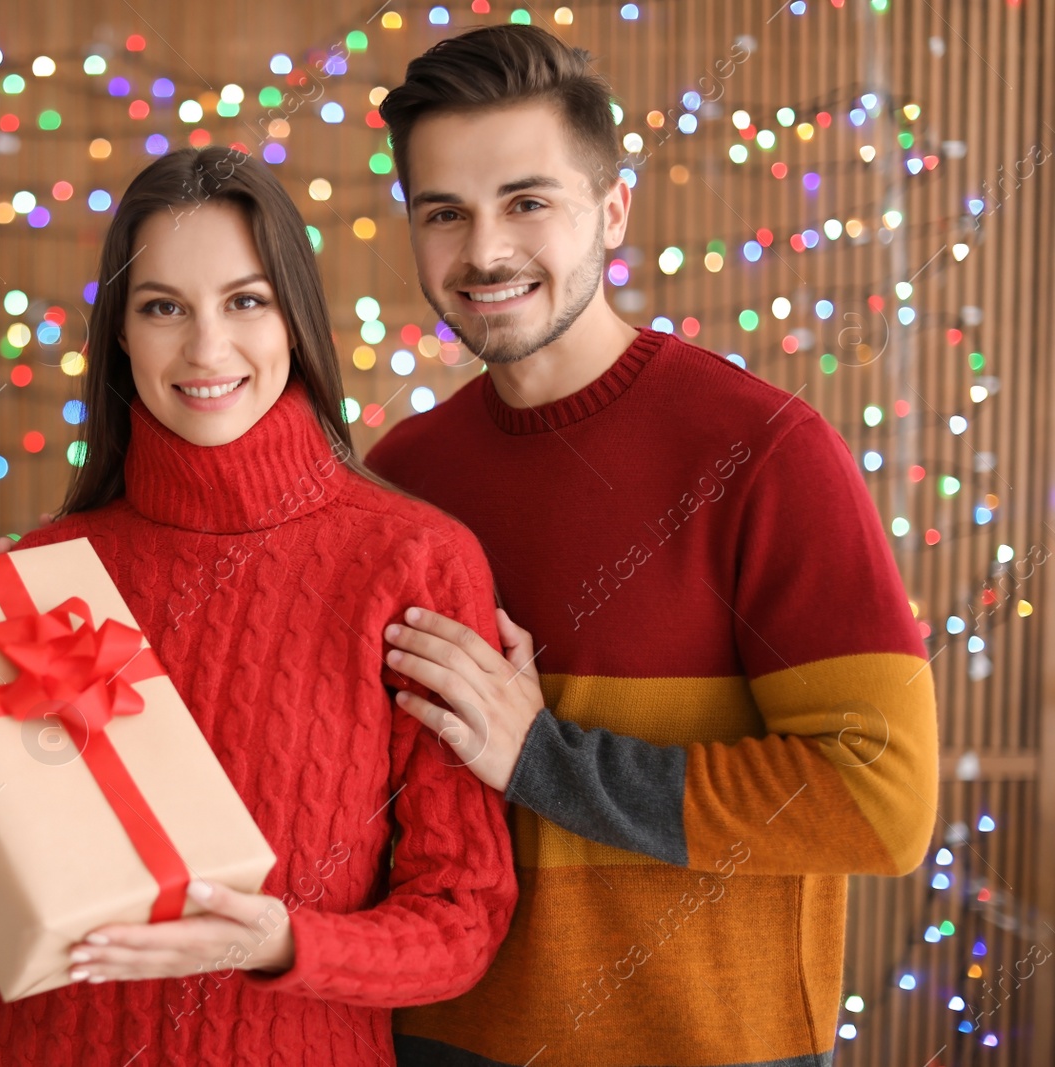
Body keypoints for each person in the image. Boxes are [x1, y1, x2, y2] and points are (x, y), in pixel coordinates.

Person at [365, 24, 940, 1067]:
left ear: (612, 208)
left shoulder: (763, 453)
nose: (484, 250)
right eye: (443, 213)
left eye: (527, 200)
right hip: (438, 1044)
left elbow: (882, 801)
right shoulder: (402, 472)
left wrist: (545, 760)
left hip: (705, 1045)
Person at [0, 145, 518, 1066]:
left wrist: (278, 942)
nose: (205, 348)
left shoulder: (413, 562)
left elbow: (461, 921)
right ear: (120, 332)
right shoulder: (41, 575)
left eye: (246, 300)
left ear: (295, 320)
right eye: (163, 308)